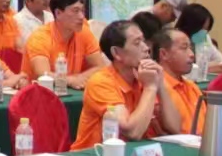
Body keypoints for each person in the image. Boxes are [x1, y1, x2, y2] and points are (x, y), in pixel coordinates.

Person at [70, 20, 163, 149]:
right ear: (116, 53)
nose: (146, 48)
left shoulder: (144, 76)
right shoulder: (101, 82)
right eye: (137, 43)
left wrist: (161, 84)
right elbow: (132, 132)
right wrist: (150, 88)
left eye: (143, 41)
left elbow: (174, 127)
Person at [24, 0, 105, 89]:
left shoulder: (84, 32)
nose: (81, 17)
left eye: (82, 11)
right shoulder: (40, 37)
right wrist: (71, 80)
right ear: (58, 13)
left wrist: (80, 78)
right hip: (38, 92)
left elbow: (100, 67)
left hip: (69, 90)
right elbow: (43, 74)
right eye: (75, 11)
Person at [150, 26, 205, 137]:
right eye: (184, 48)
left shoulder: (192, 86)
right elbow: (172, 129)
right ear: (164, 54)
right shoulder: (154, 86)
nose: (191, 54)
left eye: (191, 48)